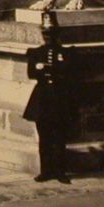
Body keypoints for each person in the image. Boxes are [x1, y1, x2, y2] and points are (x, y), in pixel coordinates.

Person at [23, 12, 74, 183]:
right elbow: (32, 73)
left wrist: (50, 70)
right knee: (44, 137)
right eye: (46, 34)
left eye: (51, 34)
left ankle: (60, 171)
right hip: (43, 98)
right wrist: (46, 71)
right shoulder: (36, 53)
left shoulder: (66, 52)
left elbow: (69, 72)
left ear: (57, 35)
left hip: (59, 98)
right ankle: (46, 170)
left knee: (59, 137)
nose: (48, 38)